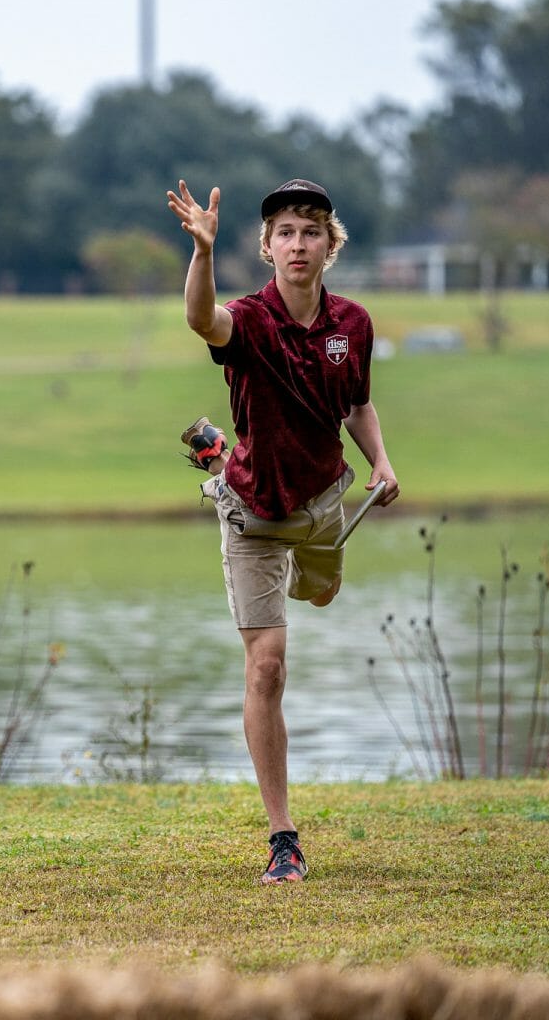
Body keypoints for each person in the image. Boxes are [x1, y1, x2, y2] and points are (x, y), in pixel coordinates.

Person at [164, 178, 400, 885]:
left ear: (331, 247)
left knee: (322, 595)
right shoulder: (248, 319)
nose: (299, 243)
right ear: (267, 249)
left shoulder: (353, 324)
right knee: (267, 665)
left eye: (312, 231)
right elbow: (201, 320)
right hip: (255, 516)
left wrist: (381, 463)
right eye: (286, 233)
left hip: (324, 501)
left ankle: (215, 449)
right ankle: (283, 841)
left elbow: (357, 403)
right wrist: (202, 252)